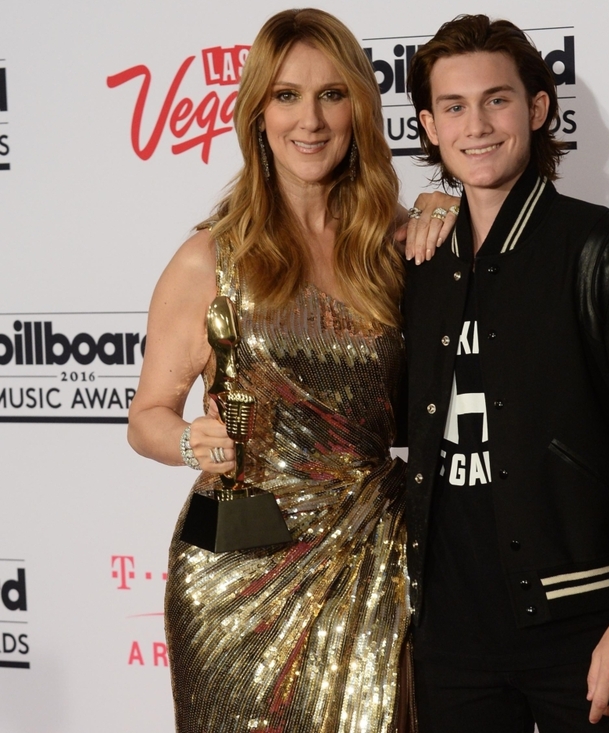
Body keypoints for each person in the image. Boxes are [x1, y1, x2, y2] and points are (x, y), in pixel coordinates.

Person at [127, 8, 454, 732]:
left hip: (372, 562)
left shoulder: (398, 246)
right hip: (233, 574)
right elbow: (146, 416)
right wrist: (189, 440)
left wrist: (444, 202)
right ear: (257, 112)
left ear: (359, 110)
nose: (310, 119)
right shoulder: (207, 258)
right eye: (287, 95)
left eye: (332, 95)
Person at [402, 15, 609, 732]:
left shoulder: (607, 249)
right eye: (454, 106)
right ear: (429, 125)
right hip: (448, 632)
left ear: (536, 109)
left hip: (584, 621)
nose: (477, 124)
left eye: (497, 100)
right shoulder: (414, 263)